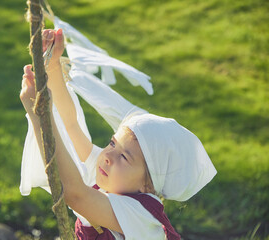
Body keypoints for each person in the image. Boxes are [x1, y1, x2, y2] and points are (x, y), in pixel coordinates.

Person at [20, 28, 217, 240]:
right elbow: (71, 125)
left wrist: (39, 115)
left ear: (147, 184)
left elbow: (75, 194)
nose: (107, 155)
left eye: (124, 157)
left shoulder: (141, 214)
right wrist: (53, 66)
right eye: (112, 144)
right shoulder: (113, 179)